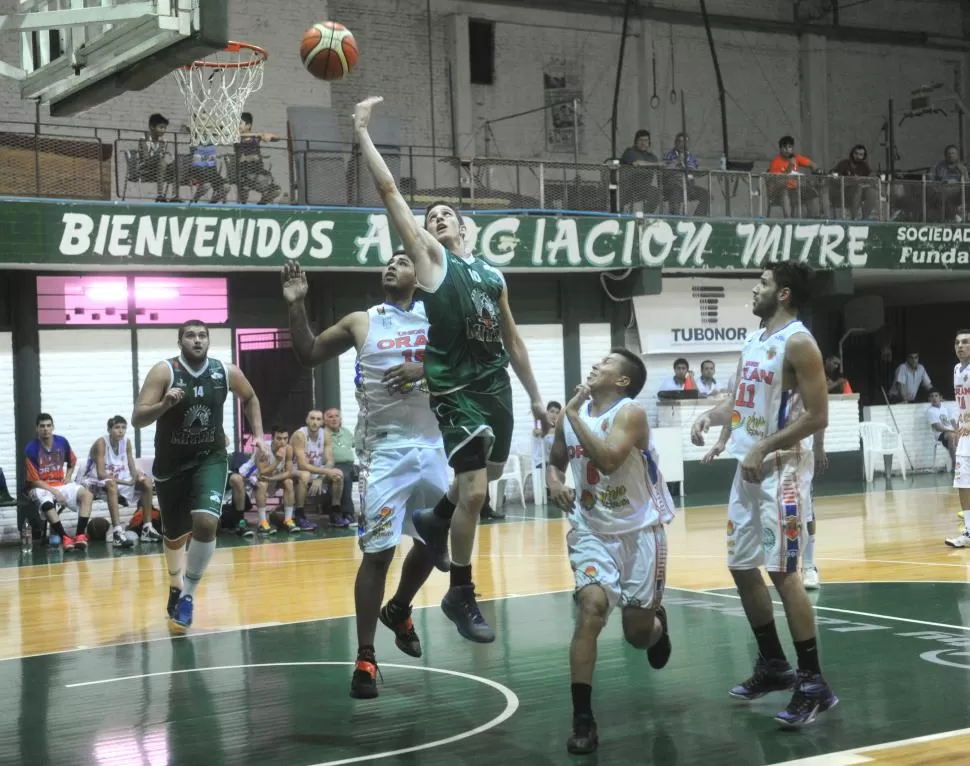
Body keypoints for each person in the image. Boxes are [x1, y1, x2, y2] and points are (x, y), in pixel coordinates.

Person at [353, 95, 549, 643]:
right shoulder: (432, 263)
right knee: (476, 495)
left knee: (477, 491)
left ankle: (437, 520)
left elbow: (511, 338)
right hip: (456, 391)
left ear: (467, 228)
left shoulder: (491, 273)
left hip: (496, 389)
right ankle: (460, 594)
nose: (436, 218)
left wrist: (535, 396)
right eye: (430, 216)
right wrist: (364, 136)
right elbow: (392, 193)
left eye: (446, 215)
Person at [282, 252, 447, 699]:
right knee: (379, 554)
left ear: (420, 276)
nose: (392, 266)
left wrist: (424, 368)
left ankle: (399, 608)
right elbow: (308, 352)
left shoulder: (441, 316)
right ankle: (366, 656)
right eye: (389, 262)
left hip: (435, 445)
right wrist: (296, 304)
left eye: (403, 261)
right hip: (383, 450)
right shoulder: (362, 321)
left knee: (439, 544)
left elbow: (476, 365)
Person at [690, 263, 837, 727]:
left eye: (763, 284)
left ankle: (813, 682)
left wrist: (764, 444)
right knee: (740, 566)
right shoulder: (755, 340)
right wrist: (710, 420)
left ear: (785, 293)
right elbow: (739, 401)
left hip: (783, 471)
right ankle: (774, 664)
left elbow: (817, 416)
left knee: (784, 573)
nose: (755, 290)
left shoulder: (800, 341)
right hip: (748, 469)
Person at [546, 349, 675, 755]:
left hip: (640, 532)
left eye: (606, 362)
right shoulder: (573, 417)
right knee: (591, 611)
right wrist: (554, 484)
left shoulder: (630, 413)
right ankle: (583, 717)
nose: (596, 364)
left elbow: (607, 460)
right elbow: (555, 461)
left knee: (637, 636)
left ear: (621, 381)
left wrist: (571, 416)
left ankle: (657, 627)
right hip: (591, 531)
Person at [132, 319, 269, 633]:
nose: (197, 340)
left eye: (202, 335)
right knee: (174, 534)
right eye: (190, 335)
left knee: (207, 522)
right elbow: (138, 418)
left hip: (210, 458)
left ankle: (188, 596)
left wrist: (259, 435)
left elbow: (249, 397)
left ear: (209, 340)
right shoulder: (164, 371)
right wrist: (164, 403)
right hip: (171, 463)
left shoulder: (225, 371)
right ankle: (174, 584)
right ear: (180, 340)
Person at [81, 415, 161, 547]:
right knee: (112, 485)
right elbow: (101, 474)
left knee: (146, 482)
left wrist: (137, 476)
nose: (120, 431)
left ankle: (147, 528)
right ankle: (117, 533)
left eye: (123, 427)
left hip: (116, 478)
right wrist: (127, 483)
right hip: (93, 479)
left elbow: (131, 467)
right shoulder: (101, 443)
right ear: (109, 430)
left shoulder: (127, 442)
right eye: (117, 427)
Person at [24, 413, 94, 551]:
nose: (46, 429)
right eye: (42, 426)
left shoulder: (62, 442)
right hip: (38, 486)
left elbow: (72, 461)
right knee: (48, 503)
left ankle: (80, 535)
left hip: (59, 483)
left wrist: (68, 476)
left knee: (87, 495)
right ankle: (65, 537)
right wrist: (55, 492)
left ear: (53, 427)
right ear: (37, 429)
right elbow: (35, 480)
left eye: (48, 425)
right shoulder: (31, 448)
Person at [944, 331, 970, 548]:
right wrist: (958, 427)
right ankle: (969, 532)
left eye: (965, 342)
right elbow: (960, 402)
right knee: (963, 482)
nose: (960, 346)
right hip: (965, 434)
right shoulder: (956, 370)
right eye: (957, 343)